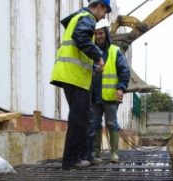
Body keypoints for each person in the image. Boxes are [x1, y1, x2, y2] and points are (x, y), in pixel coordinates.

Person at [50, 0, 111, 170]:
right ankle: (71, 160)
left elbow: (79, 44)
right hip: (74, 76)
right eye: (104, 12)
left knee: (84, 118)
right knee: (78, 119)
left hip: (73, 76)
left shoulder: (79, 17)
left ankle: (82, 156)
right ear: (100, 7)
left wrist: (92, 66)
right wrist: (98, 56)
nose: (102, 17)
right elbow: (81, 37)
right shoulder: (87, 17)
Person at [85, 18, 130, 164]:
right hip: (94, 96)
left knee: (111, 123)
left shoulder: (115, 51)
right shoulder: (91, 51)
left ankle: (114, 153)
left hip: (110, 96)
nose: (98, 36)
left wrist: (121, 88)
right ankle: (95, 153)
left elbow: (124, 71)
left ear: (106, 34)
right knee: (95, 123)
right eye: (96, 34)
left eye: (101, 33)